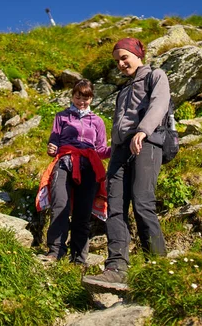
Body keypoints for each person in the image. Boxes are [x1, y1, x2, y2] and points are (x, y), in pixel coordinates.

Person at [82, 37, 169, 291]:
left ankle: (157, 267)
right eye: (117, 60)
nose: (121, 63)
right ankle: (116, 268)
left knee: (142, 202)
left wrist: (142, 131)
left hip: (147, 142)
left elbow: (159, 105)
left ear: (137, 55)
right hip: (121, 151)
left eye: (124, 57)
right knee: (115, 208)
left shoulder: (156, 75)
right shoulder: (123, 90)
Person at [36, 79, 111, 265]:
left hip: (90, 165)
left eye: (85, 98)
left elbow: (101, 149)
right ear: (72, 96)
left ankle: (79, 258)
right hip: (65, 161)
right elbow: (53, 142)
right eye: (78, 97)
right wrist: (51, 148)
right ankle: (55, 251)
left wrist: (116, 149)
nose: (81, 102)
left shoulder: (98, 122)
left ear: (91, 98)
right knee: (59, 204)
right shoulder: (61, 117)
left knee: (83, 212)